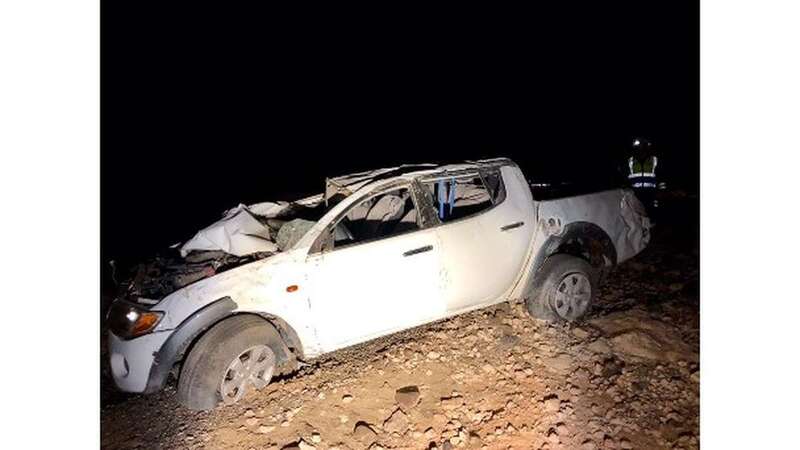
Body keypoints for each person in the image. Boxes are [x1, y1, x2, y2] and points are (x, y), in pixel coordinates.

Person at [626, 137, 660, 216]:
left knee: (652, 216)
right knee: (636, 217)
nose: (639, 150)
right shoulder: (630, 161)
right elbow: (625, 178)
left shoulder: (654, 160)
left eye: (641, 147)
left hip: (651, 194)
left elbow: (660, 177)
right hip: (635, 195)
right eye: (637, 148)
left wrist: (660, 191)